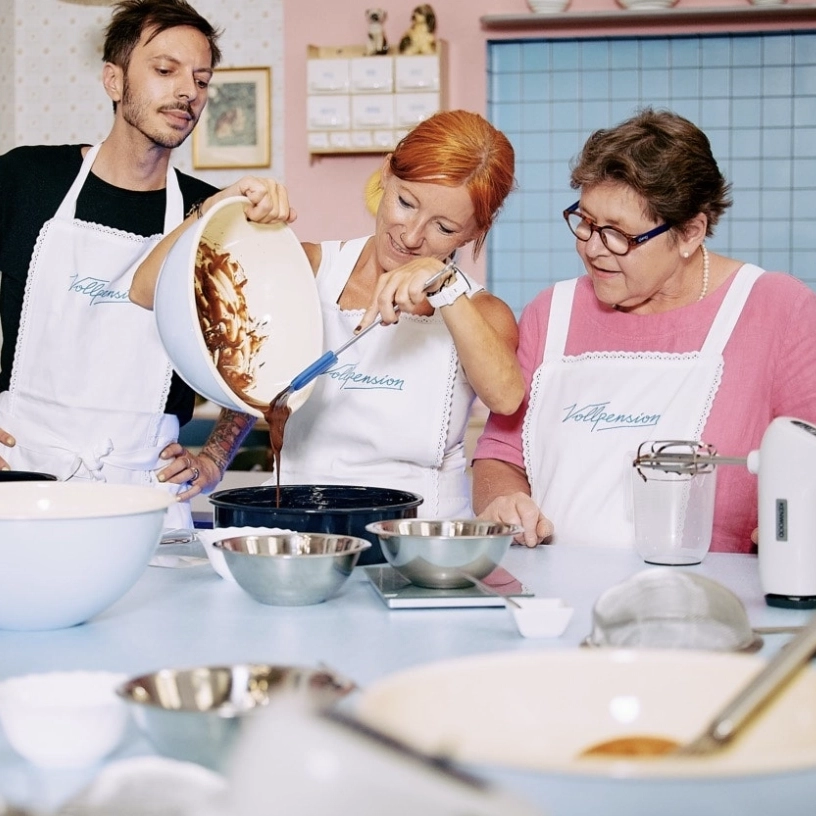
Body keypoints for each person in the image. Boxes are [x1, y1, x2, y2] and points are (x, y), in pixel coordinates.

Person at [131, 109, 525, 517]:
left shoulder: (480, 311)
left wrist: (446, 290)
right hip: (298, 525)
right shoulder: (309, 268)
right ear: (386, 174)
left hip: (417, 539)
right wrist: (222, 201)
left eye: (443, 228)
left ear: (476, 230)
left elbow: (506, 397)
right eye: (406, 203)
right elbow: (146, 289)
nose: (411, 236)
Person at [473, 108, 816, 554]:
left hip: (707, 601)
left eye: (619, 234)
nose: (593, 248)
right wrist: (503, 501)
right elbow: (500, 454)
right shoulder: (550, 313)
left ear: (691, 232)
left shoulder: (777, 310)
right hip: (555, 596)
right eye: (586, 222)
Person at [0, 0, 256, 527]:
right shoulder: (27, 178)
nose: (188, 91)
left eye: (202, 79)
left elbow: (258, 361)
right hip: (22, 481)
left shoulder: (211, 216)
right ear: (113, 81)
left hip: (148, 492)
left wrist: (214, 457)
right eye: (165, 70)